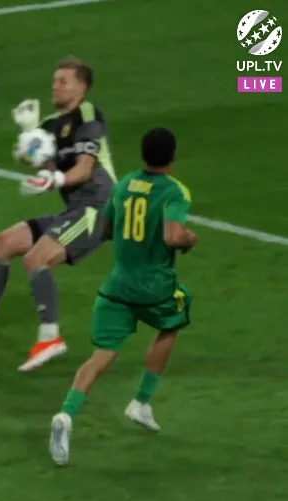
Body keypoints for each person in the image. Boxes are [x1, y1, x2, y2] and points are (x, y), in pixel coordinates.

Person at [0, 56, 117, 372]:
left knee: (36, 258)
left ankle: (50, 339)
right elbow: (46, 165)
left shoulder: (88, 115)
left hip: (99, 210)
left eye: (63, 81)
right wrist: (30, 135)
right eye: (54, 81)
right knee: (2, 243)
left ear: (82, 87)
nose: (55, 86)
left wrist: (55, 179)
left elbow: (85, 168)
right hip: (76, 209)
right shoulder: (50, 125)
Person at [48, 127, 198, 466]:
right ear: (173, 156)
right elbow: (173, 236)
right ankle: (141, 402)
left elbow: (105, 229)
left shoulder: (125, 183)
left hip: (117, 286)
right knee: (175, 317)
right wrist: (190, 239)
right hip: (154, 288)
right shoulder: (175, 191)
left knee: (103, 353)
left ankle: (67, 414)